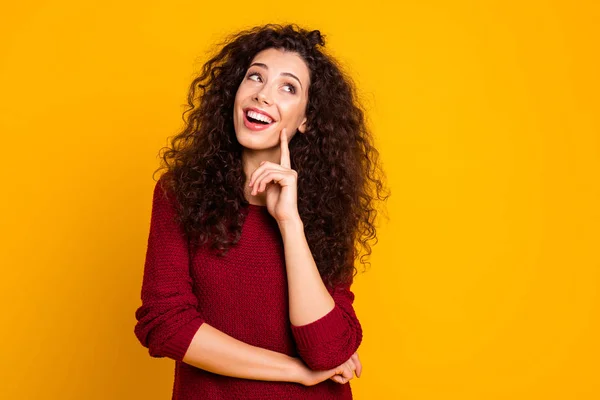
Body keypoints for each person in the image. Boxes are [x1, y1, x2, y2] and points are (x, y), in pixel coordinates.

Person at [134, 23, 389, 399]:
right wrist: (295, 372)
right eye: (255, 77)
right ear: (234, 92)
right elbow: (166, 326)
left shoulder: (326, 205)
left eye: (288, 87)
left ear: (307, 119)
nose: (263, 95)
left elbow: (328, 350)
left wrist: (289, 223)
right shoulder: (181, 193)